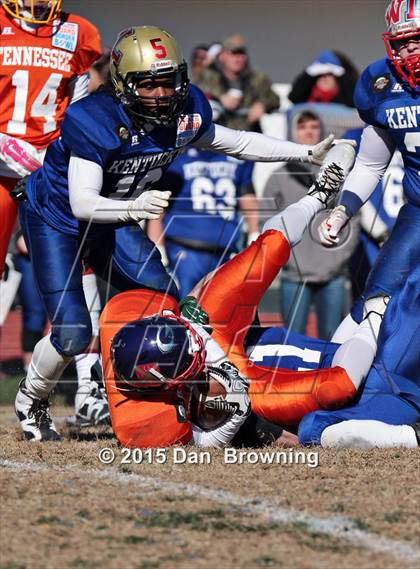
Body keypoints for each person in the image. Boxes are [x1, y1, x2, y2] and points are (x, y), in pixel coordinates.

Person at [13, 24, 337, 442]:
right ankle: (31, 397)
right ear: (124, 85)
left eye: (168, 83)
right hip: (59, 220)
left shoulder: (186, 110)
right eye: (148, 85)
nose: (162, 95)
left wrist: (304, 152)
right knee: (73, 333)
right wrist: (134, 207)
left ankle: (151, 396)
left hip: (119, 215)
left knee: (164, 305)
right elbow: (83, 202)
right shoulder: (93, 118)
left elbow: (234, 142)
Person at [100, 142, 369, 449]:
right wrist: (235, 419)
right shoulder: (147, 422)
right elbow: (200, 438)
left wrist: (192, 313)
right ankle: (373, 327)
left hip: (208, 323)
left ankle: (318, 194)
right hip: (239, 373)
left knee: (268, 248)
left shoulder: (124, 320)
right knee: (333, 389)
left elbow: (171, 312)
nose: (193, 348)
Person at [318, 0, 420, 344]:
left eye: (417, 39)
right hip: (418, 213)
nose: (409, 51)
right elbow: (371, 163)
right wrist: (343, 209)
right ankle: (331, 380)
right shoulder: (381, 84)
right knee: (374, 303)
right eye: (401, 42)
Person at [0, 0, 101, 278]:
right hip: (1, 166)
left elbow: (78, 108)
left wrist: (66, 147)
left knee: (74, 260)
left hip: (50, 163)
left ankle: (76, 322)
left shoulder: (78, 31)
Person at [148, 96, 259, 297]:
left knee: (219, 317)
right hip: (184, 249)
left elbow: (246, 196)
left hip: (224, 251)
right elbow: (158, 208)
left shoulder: (236, 159)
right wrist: (158, 247)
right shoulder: (176, 158)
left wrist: (253, 232)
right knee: (184, 314)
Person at [262, 109, 359, 338]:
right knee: (290, 340)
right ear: (293, 132)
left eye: (314, 127)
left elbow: (354, 218)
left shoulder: (339, 175)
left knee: (332, 340)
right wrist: (286, 261)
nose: (309, 132)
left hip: (332, 275)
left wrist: (337, 259)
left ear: (323, 131)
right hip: (294, 275)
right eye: (302, 127)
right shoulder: (279, 176)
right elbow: (267, 221)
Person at [195, 34, 280, 131]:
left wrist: (262, 105)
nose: (239, 58)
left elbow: (275, 99)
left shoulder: (257, 79)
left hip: (249, 135)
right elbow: (194, 95)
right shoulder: (208, 77)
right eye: (234, 53)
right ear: (222, 56)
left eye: (242, 53)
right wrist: (219, 98)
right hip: (217, 135)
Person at [288, 50, 359, 108]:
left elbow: (354, 101)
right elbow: (293, 97)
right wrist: (308, 73)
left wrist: (343, 74)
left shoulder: (345, 97)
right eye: (320, 74)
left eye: (329, 74)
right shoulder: (307, 96)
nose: (324, 78)